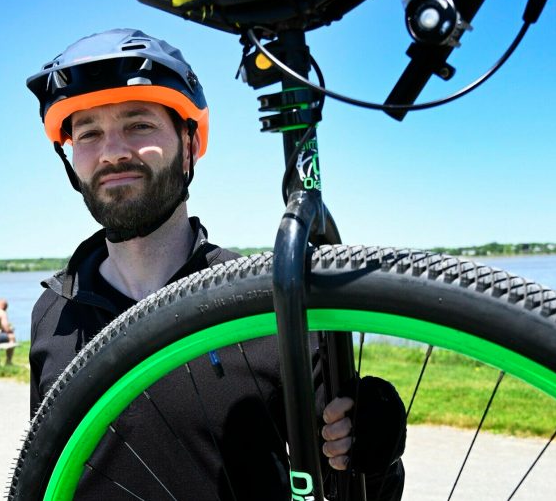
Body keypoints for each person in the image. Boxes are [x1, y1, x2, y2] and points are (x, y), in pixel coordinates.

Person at [26, 29, 405, 499]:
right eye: (88, 133)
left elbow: (346, 485)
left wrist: (377, 449)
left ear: (188, 143)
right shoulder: (54, 313)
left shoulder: (257, 305)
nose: (113, 151)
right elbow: (41, 475)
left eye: (139, 125)